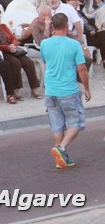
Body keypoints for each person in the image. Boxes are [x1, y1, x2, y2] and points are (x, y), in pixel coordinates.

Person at [40, 13, 91, 169]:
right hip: (68, 89)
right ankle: (61, 148)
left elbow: (45, 61)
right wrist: (87, 88)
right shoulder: (74, 44)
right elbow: (81, 69)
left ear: (53, 26)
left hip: (50, 89)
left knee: (57, 124)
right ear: (67, 25)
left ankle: (60, 156)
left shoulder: (44, 44)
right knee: (76, 122)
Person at [0, 8, 42, 100]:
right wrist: (7, 48)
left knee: (28, 62)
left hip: (12, 49)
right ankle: (16, 89)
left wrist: (13, 45)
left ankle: (34, 88)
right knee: (15, 63)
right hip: (2, 52)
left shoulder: (3, 26)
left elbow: (13, 37)